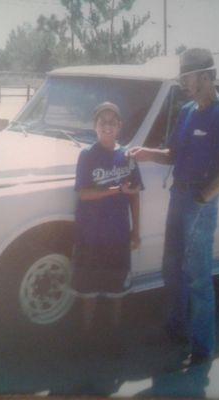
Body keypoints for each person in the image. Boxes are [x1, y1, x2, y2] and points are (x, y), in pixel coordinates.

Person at [128, 48, 219, 367]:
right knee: (171, 267)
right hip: (178, 197)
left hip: (199, 204)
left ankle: (203, 349)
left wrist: (205, 197)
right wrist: (148, 153)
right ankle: (176, 329)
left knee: (198, 277)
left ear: (206, 76)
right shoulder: (187, 111)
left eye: (187, 77)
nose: (184, 83)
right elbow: (172, 154)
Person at [72, 101, 143, 335]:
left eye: (113, 122)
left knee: (116, 290)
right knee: (88, 291)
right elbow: (84, 194)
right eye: (103, 122)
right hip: (90, 235)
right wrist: (115, 190)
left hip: (118, 235)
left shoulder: (128, 156)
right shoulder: (87, 155)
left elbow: (134, 196)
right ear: (95, 126)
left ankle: (114, 334)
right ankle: (85, 334)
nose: (107, 126)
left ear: (120, 126)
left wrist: (136, 231)